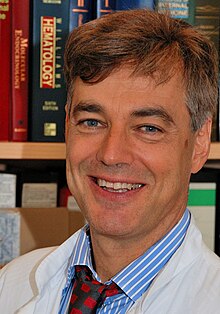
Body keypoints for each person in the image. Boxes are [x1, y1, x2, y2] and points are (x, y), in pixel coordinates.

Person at [0, 8, 220, 314]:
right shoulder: (11, 285)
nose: (111, 154)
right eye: (92, 121)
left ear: (199, 143)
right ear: (66, 126)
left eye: (148, 128)